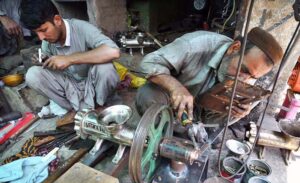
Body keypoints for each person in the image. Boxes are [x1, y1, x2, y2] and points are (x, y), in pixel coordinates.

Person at [135, 28, 283, 125]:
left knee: (236, 110)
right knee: (147, 94)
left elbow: (230, 113)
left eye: (253, 76)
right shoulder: (195, 45)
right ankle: (164, 132)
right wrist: (176, 88)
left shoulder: (250, 76)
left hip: (203, 113)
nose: (243, 79)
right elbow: (147, 63)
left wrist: (240, 111)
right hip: (172, 101)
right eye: (244, 69)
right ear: (234, 48)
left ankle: (190, 132)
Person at [20, 0, 120, 124]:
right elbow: (52, 68)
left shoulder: (82, 28)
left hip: (92, 83)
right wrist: (44, 61)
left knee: (106, 69)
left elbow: (113, 51)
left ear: (57, 20)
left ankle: (100, 106)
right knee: (33, 74)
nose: (41, 37)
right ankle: (73, 110)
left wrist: (70, 59)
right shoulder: (47, 41)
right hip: (71, 86)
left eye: (44, 30)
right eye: (37, 33)